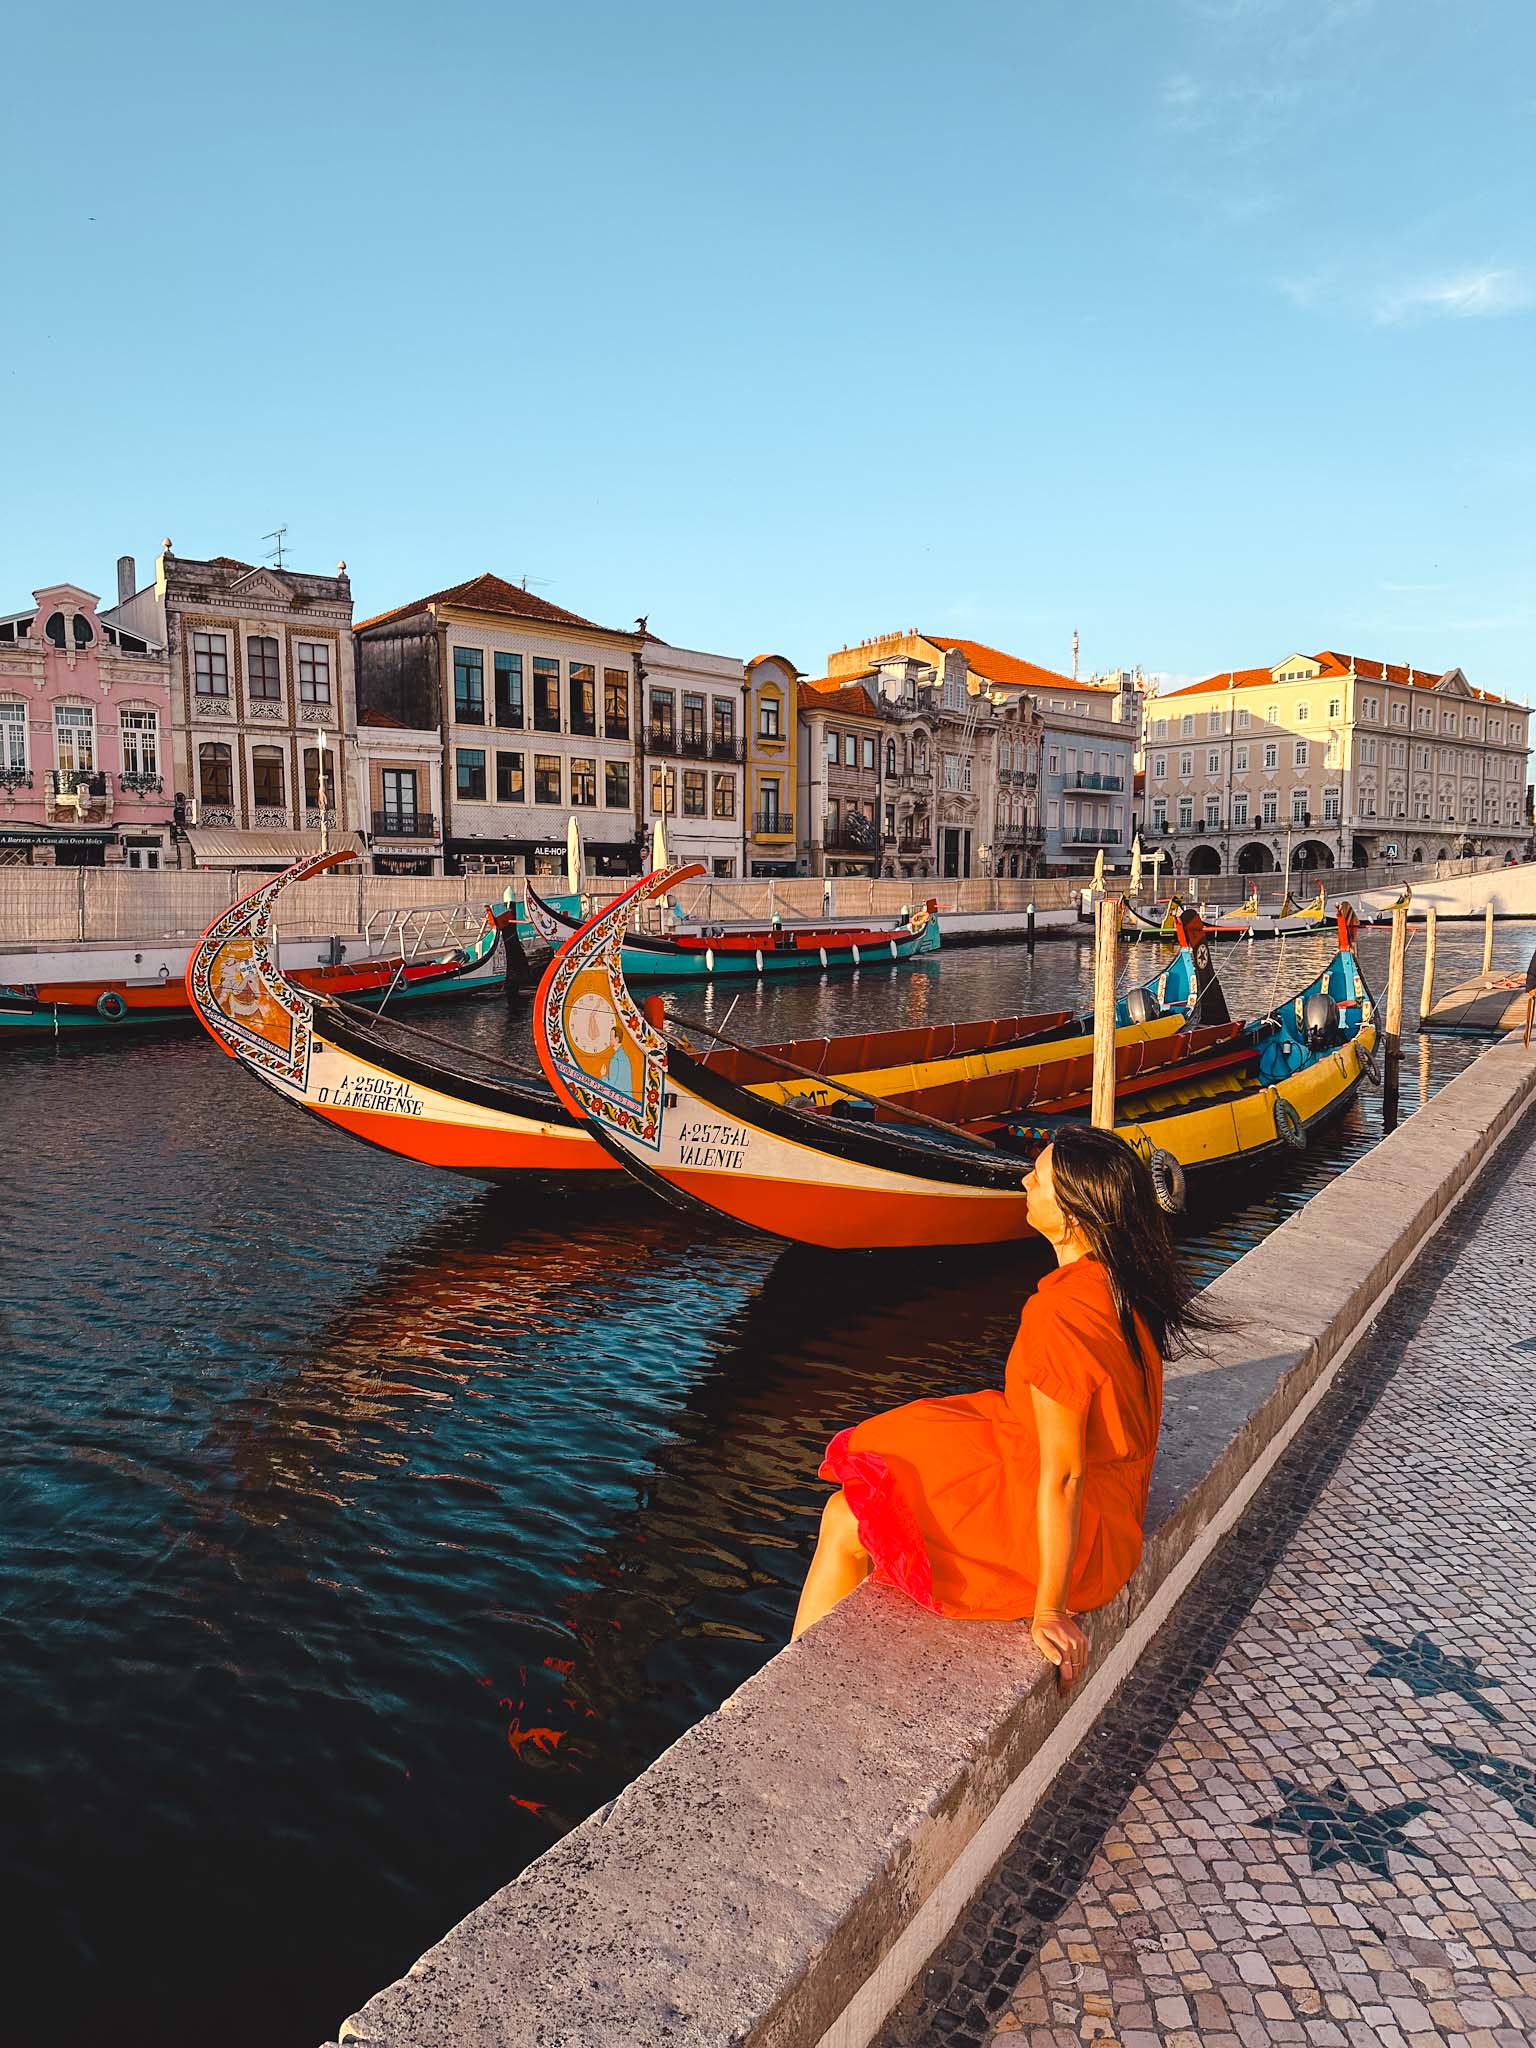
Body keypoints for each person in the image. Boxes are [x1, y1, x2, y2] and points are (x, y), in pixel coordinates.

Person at [791, 1125, 1217, 1689]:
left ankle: (797, 1686)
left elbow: (1065, 1474)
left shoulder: (1060, 1315)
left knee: (848, 1516)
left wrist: (1050, 1609)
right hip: (1114, 1515)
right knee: (897, 1464)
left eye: (1037, 1177)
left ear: (1070, 1215)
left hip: (1083, 1538)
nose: (1024, 1180)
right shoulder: (1119, 1286)